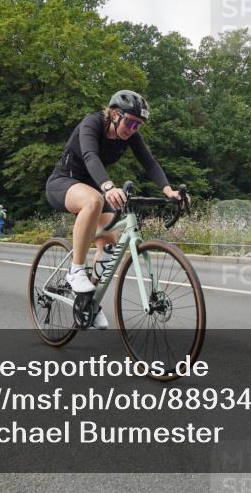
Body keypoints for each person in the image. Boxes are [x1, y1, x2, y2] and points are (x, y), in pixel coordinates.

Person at [45, 90, 185, 330]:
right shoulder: (92, 123)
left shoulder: (130, 136)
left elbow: (149, 162)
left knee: (109, 246)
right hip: (63, 182)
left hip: (93, 187)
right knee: (93, 201)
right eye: (130, 122)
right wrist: (108, 186)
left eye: (138, 125)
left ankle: (87, 303)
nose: (132, 129)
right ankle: (76, 271)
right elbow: (90, 155)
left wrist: (168, 190)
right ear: (114, 114)